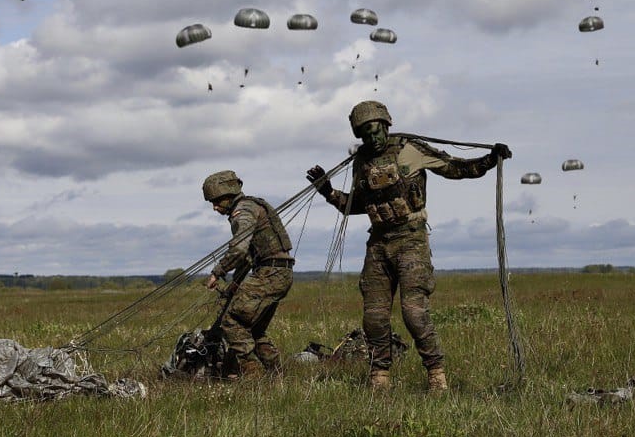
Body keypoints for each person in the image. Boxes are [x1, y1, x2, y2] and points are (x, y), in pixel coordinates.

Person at [306, 100, 511, 392]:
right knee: (374, 318)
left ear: (387, 126)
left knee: (414, 313)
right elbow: (356, 206)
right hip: (378, 245)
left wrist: (490, 160)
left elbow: (456, 168)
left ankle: (436, 376)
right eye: (365, 134)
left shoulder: (410, 149)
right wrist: (326, 190)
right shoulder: (360, 162)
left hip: (411, 240)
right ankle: (379, 378)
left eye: (376, 131)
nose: (372, 139)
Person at [202, 170, 294, 377]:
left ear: (228, 195)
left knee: (231, 322)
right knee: (253, 330)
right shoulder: (252, 206)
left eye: (216, 201)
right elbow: (248, 257)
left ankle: (253, 377)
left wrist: (218, 272)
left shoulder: (242, 212)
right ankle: (277, 376)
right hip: (279, 273)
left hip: (269, 273)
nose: (215, 207)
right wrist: (234, 284)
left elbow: (239, 249)